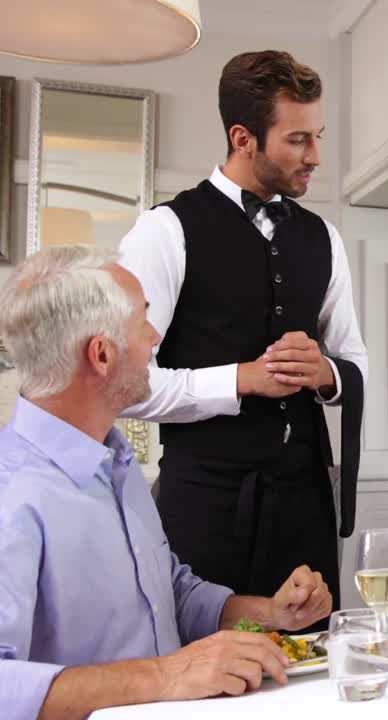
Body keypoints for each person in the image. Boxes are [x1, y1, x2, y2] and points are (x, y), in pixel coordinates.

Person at [0, 246, 333, 720]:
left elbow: (166, 595)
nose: (155, 338)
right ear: (101, 355)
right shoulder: (10, 494)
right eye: (143, 324)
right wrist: (166, 675)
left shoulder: (114, 461)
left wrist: (271, 614)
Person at [117, 51, 367, 617]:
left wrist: (326, 374)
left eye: (318, 137)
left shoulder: (324, 238)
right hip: (204, 510)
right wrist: (241, 380)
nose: (316, 157)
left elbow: (354, 358)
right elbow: (131, 386)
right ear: (243, 137)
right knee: (205, 683)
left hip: (304, 509)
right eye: (298, 140)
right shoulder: (164, 232)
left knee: (315, 677)